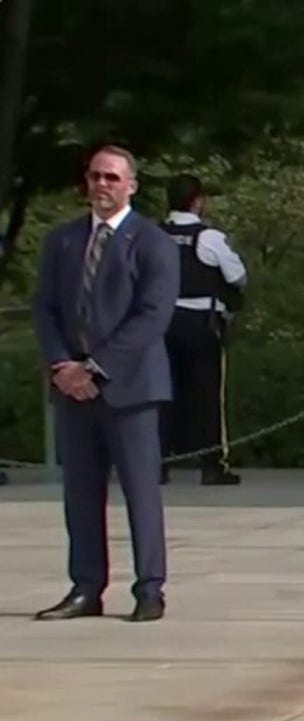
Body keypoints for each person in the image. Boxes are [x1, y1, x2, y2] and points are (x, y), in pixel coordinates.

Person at [31, 145, 178, 623]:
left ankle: (150, 588)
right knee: (80, 494)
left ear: (131, 185)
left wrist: (95, 368)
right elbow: (45, 308)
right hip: (72, 391)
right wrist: (61, 365)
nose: (102, 185)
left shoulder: (152, 241)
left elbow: (152, 316)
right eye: (95, 177)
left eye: (112, 178)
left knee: (140, 493)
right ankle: (86, 588)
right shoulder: (64, 241)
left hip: (131, 390)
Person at [159, 174, 247, 485]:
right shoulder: (208, 238)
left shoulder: (154, 235)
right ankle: (212, 464)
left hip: (161, 323)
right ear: (198, 201)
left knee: (162, 393)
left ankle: (158, 463)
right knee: (208, 395)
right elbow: (237, 277)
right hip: (201, 324)